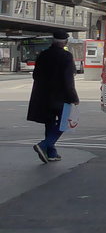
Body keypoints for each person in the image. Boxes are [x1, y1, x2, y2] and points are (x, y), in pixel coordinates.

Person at [28, 29, 80, 163]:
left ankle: (51, 153)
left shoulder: (43, 55)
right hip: (61, 97)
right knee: (65, 123)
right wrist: (74, 97)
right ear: (65, 42)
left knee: (49, 123)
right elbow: (68, 80)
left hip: (44, 97)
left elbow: (35, 75)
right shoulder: (66, 56)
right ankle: (44, 145)